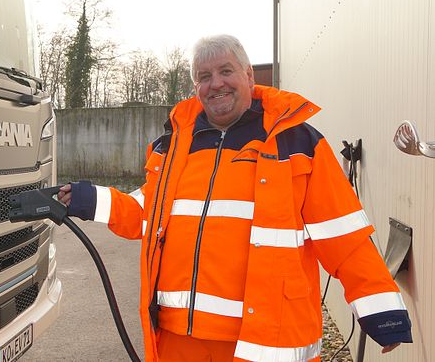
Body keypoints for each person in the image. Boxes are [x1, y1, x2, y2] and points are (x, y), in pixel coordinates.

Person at [57, 34, 412, 362]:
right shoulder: (174, 146)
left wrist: (379, 306)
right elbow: (146, 213)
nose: (216, 84)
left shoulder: (295, 143)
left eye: (226, 71)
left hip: (261, 341)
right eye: (204, 76)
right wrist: (88, 199)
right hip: (178, 340)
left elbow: (342, 232)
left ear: (248, 76)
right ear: (196, 86)